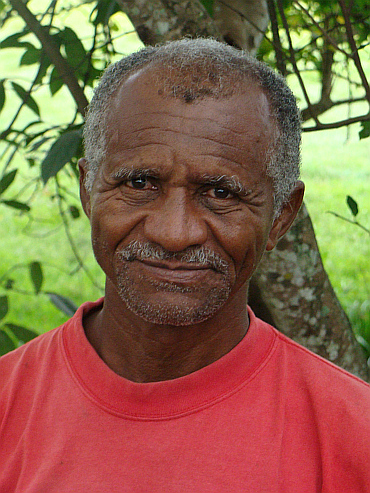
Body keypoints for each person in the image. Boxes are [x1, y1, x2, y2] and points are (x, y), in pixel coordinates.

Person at [1, 38, 369, 492]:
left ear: (281, 217)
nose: (174, 234)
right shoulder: (7, 405)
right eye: (140, 182)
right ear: (87, 190)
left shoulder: (354, 437)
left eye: (221, 193)